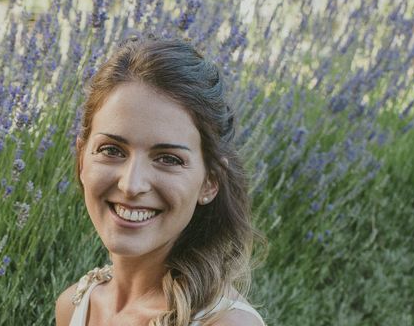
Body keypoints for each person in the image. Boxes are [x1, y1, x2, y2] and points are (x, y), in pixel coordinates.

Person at [56, 33, 267, 326]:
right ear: (82, 158)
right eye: (112, 150)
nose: (131, 185)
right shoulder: (75, 306)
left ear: (210, 181)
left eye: (168, 159)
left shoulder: (225, 323)